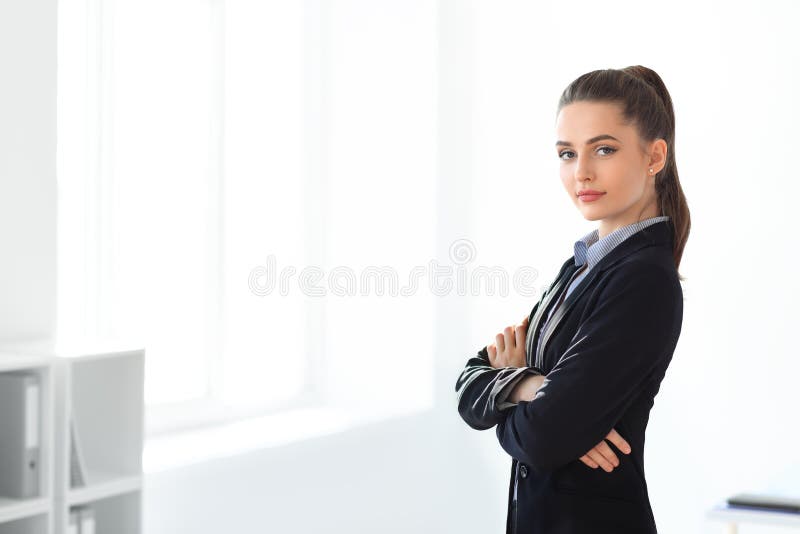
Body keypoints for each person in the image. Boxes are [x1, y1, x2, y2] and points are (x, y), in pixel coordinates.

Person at [454, 66, 690, 534]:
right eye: (567, 153)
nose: (581, 171)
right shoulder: (581, 266)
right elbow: (467, 387)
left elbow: (544, 437)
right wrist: (532, 387)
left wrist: (519, 390)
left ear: (654, 156)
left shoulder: (643, 281)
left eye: (604, 149)